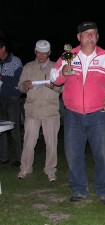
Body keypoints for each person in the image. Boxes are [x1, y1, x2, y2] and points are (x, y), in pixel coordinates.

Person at [50, 21, 105, 204]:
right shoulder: (68, 55)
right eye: (86, 33)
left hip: (98, 113)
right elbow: (53, 77)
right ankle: (79, 189)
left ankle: (104, 191)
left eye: (93, 33)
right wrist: (62, 74)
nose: (90, 36)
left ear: (97, 37)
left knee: (103, 154)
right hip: (72, 114)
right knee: (73, 154)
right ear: (79, 37)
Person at [17, 40, 62, 181]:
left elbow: (63, 88)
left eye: (44, 53)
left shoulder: (56, 67)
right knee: (29, 142)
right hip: (32, 110)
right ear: (35, 52)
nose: (41, 56)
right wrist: (25, 85)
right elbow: (20, 87)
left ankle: (50, 170)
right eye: (38, 53)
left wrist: (53, 86)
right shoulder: (28, 67)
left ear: (49, 53)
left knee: (51, 143)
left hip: (51, 111)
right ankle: (24, 169)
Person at [0, 37, 23, 166]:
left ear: (3, 48)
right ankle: (3, 157)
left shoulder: (15, 61)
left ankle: (18, 158)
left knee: (14, 128)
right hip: (1, 99)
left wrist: (2, 77)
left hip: (12, 99)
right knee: (1, 129)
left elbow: (18, 82)